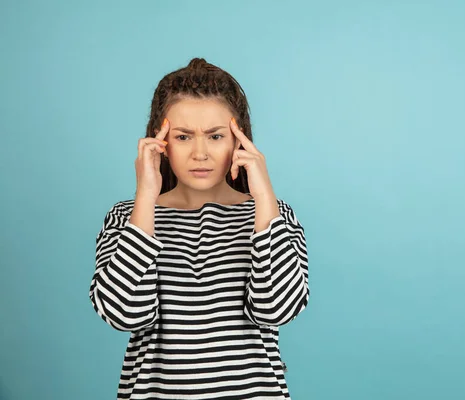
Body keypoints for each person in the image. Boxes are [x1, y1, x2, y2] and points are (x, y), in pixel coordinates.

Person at [89, 58, 309, 399]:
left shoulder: (273, 217)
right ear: (161, 142)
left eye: (216, 135)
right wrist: (146, 196)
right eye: (183, 136)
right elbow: (123, 314)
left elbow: (277, 308)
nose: (200, 153)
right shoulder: (127, 218)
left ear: (239, 141)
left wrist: (264, 195)